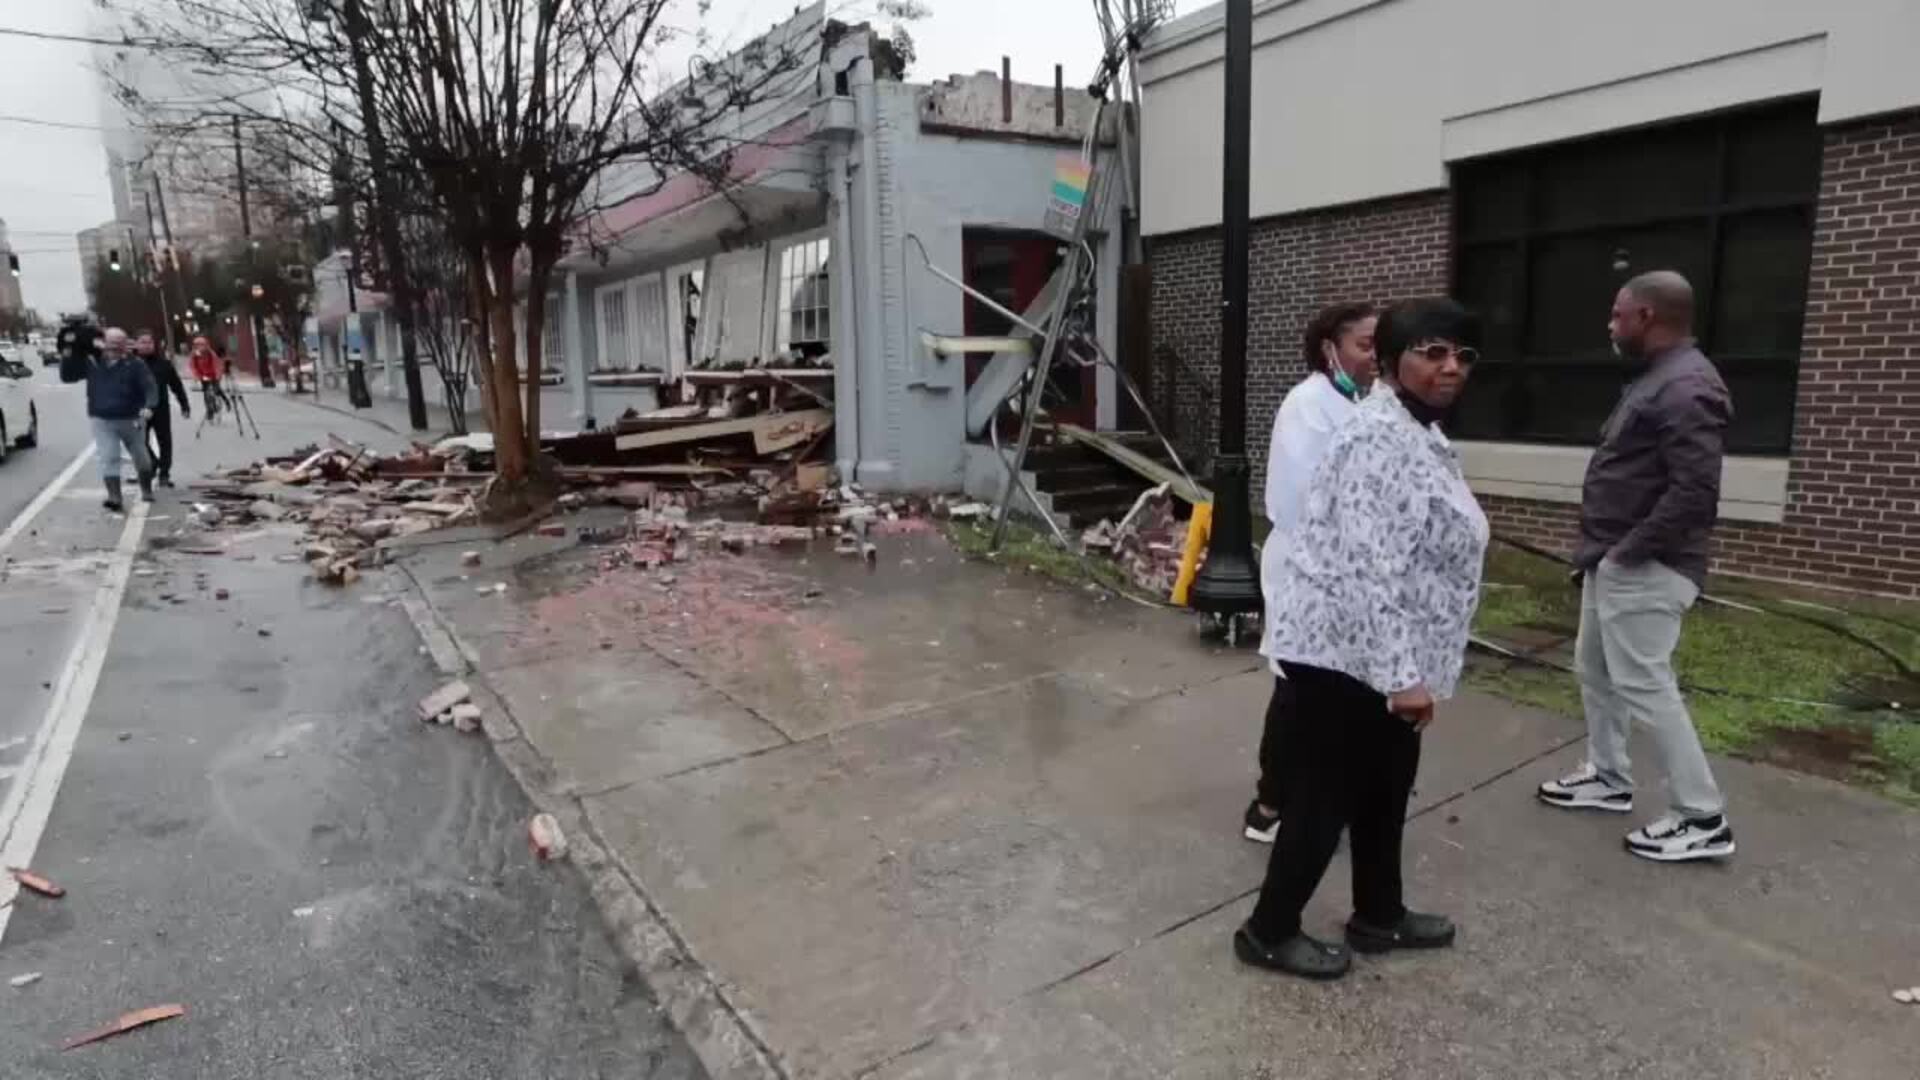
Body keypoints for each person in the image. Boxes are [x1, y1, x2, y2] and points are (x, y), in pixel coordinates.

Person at [1235, 297, 1487, 981]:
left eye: (1463, 356)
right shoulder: (1378, 436)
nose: (1450, 367)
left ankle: (1380, 914)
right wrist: (1403, 677)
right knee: (1324, 796)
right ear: (1392, 360)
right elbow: (1368, 568)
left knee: (1383, 789)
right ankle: (1267, 930)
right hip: (1343, 653)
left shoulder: (1416, 430)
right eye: (1432, 352)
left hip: (1377, 652)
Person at [1537, 270, 1736, 863]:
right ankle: (1608, 776)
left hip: (1647, 565)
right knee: (1594, 670)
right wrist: (1601, 558)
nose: (1611, 324)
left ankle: (1702, 816)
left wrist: (1626, 554)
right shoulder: (1657, 379)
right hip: (1614, 560)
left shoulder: (1685, 386)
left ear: (1647, 317)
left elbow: (1695, 493)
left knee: (1647, 686)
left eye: (1617, 314)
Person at [1244, 302, 1379, 844]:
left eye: (1378, 346)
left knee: (1332, 690)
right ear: (1331, 349)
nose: (1375, 356)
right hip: (1307, 567)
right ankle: (1270, 805)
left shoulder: (1360, 402)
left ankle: (1316, 795)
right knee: (1297, 686)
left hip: (1347, 573)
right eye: (1365, 345)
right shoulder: (1307, 404)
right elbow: (1305, 499)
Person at [61, 327, 157, 512]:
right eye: (110, 345)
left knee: (142, 458)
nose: (114, 349)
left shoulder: (135, 364)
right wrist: (67, 354)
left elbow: (150, 388)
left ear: (125, 345)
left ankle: (146, 489)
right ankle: (115, 497)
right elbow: (68, 377)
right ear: (104, 344)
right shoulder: (93, 363)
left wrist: (148, 406)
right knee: (109, 457)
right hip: (102, 419)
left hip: (131, 418)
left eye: (118, 345)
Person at [136, 330, 190, 487]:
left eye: (149, 342)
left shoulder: (163, 364)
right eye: (143, 342)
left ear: (154, 345)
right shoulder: (131, 364)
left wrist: (184, 405)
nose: (146, 345)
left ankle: (164, 473)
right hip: (139, 410)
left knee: (165, 442)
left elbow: (176, 386)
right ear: (137, 344)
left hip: (160, 409)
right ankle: (152, 463)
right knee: (139, 442)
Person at [189, 336, 227, 417]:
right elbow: (193, 366)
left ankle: (226, 401)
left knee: (216, 389)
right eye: (197, 345)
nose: (200, 347)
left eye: (202, 345)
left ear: (206, 345)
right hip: (203, 375)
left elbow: (217, 365)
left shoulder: (211, 354)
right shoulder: (194, 355)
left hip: (213, 374)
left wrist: (218, 376)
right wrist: (196, 376)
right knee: (206, 392)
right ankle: (209, 410)